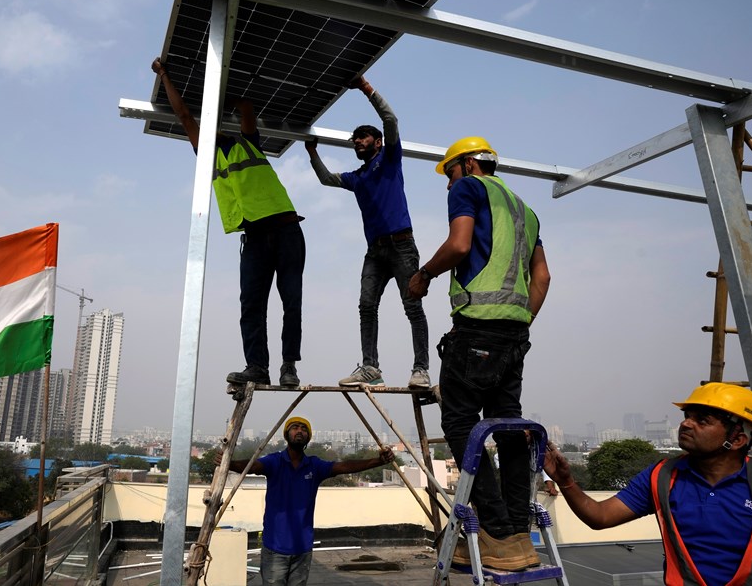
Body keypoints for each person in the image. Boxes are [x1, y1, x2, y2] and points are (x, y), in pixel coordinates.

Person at [408, 136, 551, 571]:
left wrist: (424, 275)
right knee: (507, 428)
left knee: (458, 420)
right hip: (514, 334)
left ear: (468, 164)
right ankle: (519, 539)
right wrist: (520, 323)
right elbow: (542, 277)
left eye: (449, 172)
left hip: (476, 330)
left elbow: (460, 245)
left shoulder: (469, 189)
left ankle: (497, 533)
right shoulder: (526, 210)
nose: (447, 184)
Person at [545, 383, 752, 584]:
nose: (686, 424)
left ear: (738, 439)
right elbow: (600, 517)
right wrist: (566, 481)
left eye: (702, 420)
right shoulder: (662, 477)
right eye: (687, 416)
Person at [152, 58, 305, 387]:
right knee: (251, 304)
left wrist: (225, 96)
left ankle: (289, 365)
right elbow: (182, 115)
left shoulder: (247, 141)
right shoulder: (206, 152)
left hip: (286, 229)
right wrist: (164, 75)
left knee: (291, 299)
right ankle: (257, 366)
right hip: (253, 236)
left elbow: (247, 108)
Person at [304, 76, 429, 389]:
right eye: (355, 139)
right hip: (375, 251)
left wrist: (365, 87)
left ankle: (421, 369)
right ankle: (370, 367)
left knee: (412, 306)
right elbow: (326, 179)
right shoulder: (357, 177)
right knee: (366, 306)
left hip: (401, 245)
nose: (357, 141)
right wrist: (312, 153)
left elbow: (390, 119)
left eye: (363, 137)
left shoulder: (389, 160)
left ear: (378, 141)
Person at [217, 417, 395, 585]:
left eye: (304, 429)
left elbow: (344, 466)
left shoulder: (314, 466)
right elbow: (253, 466)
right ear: (287, 435)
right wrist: (229, 463)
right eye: (294, 428)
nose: (299, 431)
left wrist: (378, 461)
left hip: (302, 548)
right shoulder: (275, 462)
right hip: (275, 548)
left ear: (308, 437)